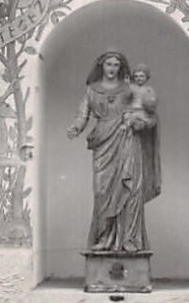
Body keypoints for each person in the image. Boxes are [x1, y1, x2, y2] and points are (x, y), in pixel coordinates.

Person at [66, 51, 161, 252]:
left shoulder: (130, 88)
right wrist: (76, 127)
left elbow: (149, 113)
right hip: (103, 142)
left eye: (116, 64)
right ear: (101, 65)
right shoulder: (92, 90)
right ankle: (104, 238)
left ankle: (130, 240)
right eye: (108, 64)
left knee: (131, 189)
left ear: (121, 67)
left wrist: (140, 123)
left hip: (128, 139)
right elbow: (82, 114)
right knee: (102, 191)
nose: (112, 68)